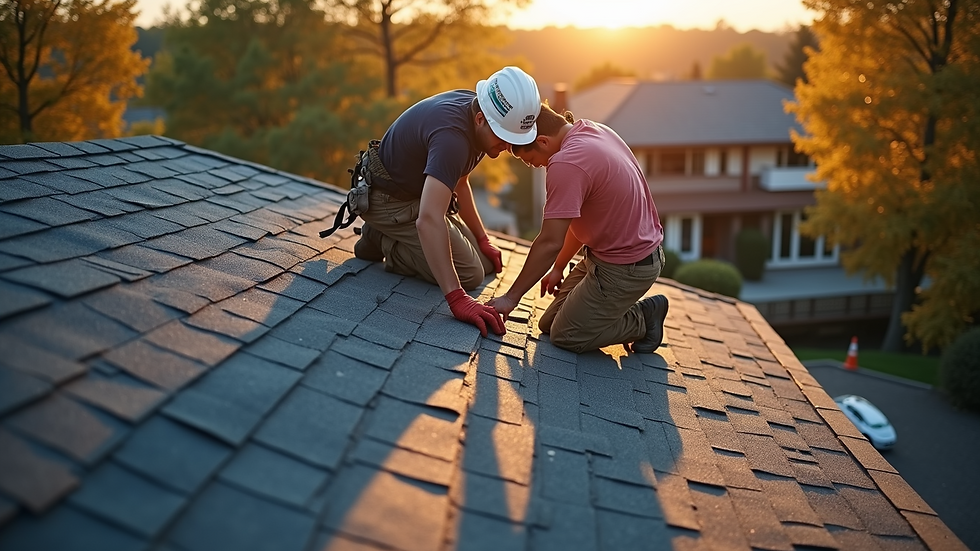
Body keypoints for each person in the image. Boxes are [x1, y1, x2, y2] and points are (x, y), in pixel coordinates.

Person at [353, 66, 541, 337]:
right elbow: (429, 219)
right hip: (388, 200)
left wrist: (482, 237)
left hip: (418, 197)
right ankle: (382, 238)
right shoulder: (453, 138)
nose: (508, 148)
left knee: (485, 263)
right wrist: (457, 299)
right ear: (480, 119)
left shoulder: (473, 111)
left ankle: (393, 234)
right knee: (470, 276)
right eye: (505, 137)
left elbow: (459, 181)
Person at [487, 103, 669, 353]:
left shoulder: (566, 163)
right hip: (605, 257)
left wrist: (510, 298)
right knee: (549, 324)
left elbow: (550, 241)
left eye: (529, 160)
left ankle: (644, 318)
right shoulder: (592, 130)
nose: (534, 166)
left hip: (627, 267)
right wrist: (558, 267)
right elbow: (574, 220)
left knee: (567, 336)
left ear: (542, 141)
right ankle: (606, 313)